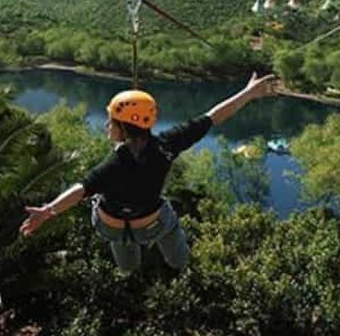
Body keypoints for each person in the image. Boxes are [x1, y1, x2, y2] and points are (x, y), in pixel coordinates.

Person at [19, 72, 278, 273]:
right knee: (168, 223)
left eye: (111, 121)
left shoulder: (114, 164)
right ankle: (179, 264)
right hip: (151, 226)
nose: (107, 125)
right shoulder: (167, 144)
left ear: (124, 128)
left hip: (111, 227)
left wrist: (48, 211)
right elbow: (212, 117)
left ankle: (129, 269)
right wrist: (248, 93)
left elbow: (80, 190)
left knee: (123, 250)